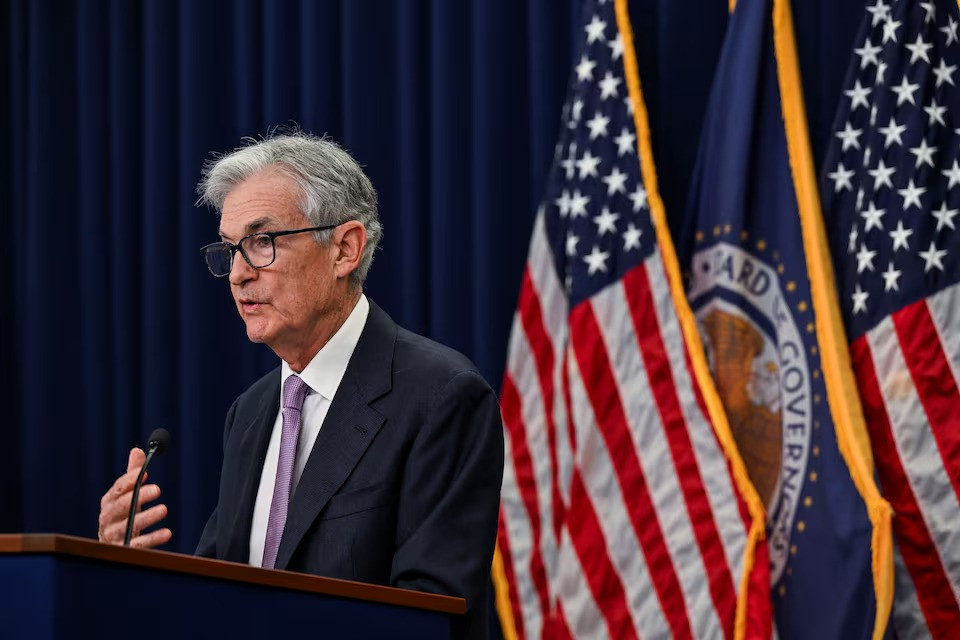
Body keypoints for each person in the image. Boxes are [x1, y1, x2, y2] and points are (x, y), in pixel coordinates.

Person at [97, 131, 504, 639]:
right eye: (229, 249)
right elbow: (217, 598)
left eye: (262, 242)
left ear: (345, 249)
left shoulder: (442, 396)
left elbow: (428, 614)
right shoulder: (251, 412)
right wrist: (129, 568)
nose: (239, 274)